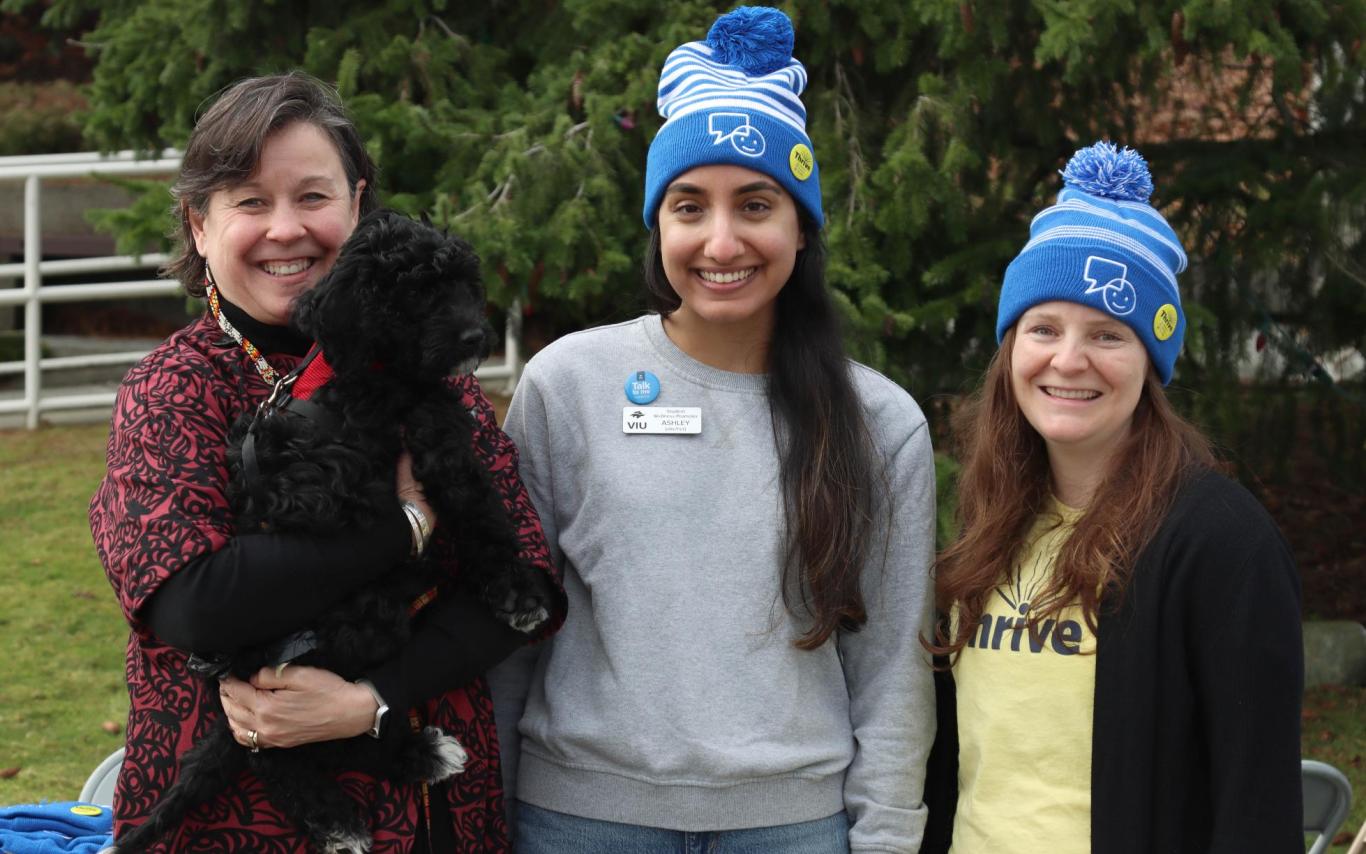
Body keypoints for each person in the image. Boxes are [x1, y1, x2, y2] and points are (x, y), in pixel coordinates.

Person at [488, 7, 937, 853]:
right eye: (690, 206)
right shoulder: (567, 386)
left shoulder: (880, 424)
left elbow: (891, 676)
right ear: (658, 225)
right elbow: (513, 632)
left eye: (756, 204)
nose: (720, 240)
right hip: (580, 825)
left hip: (795, 831)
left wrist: (884, 842)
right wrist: (489, 821)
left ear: (800, 228)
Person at [89, 71, 564, 852]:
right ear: (199, 226)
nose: (287, 229)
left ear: (357, 204)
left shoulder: (424, 374)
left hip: (432, 817)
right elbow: (192, 605)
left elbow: (525, 585)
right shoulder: (173, 389)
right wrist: (404, 526)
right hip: (236, 823)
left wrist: (372, 699)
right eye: (249, 201)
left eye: (313, 197)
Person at [924, 141, 1303, 853]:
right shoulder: (991, 522)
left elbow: (1257, 805)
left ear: (1152, 361)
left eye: (1108, 334)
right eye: (1043, 328)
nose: (1069, 360)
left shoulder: (1220, 542)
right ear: (1012, 350)